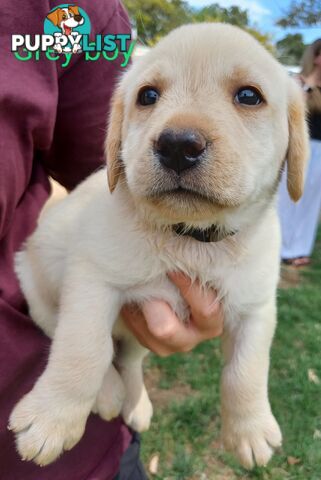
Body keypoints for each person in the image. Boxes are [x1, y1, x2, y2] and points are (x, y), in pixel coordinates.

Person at [0, 1, 223, 479]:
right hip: (41, 326)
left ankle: (128, 369)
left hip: (73, 445)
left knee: (135, 296)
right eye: (151, 97)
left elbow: (109, 171)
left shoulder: (74, 12)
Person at [278, 39, 321, 267]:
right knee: (286, 198)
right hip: (298, 146)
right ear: (316, 57)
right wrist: (307, 87)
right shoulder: (299, 83)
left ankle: (299, 249)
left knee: (310, 202)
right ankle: (278, 246)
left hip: (320, 150)